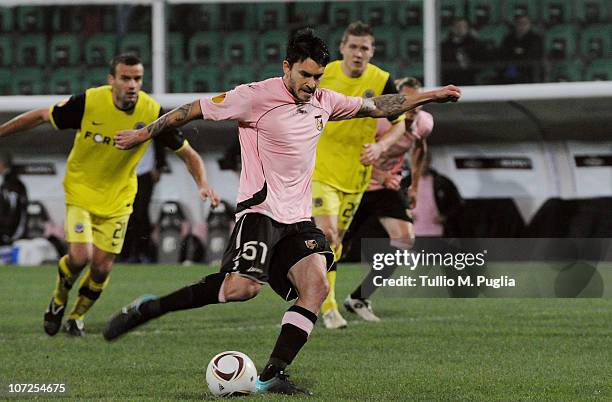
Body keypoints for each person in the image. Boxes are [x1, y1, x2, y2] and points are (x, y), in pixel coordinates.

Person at [102, 29, 460, 395]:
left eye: (317, 76)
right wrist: (144, 133)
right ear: (286, 67)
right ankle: (150, 308)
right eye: (304, 75)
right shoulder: (253, 97)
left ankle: (272, 374)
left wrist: (433, 95)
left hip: (298, 220)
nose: (311, 84)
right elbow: (190, 110)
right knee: (243, 288)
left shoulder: (324, 100)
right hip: (260, 212)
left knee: (316, 287)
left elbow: (378, 106)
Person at [0, 53, 219, 337]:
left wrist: (202, 183)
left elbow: (189, 154)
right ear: (111, 80)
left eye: (137, 78)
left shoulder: (152, 112)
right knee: (80, 257)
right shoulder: (89, 102)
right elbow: (42, 115)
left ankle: (76, 317)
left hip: (118, 199)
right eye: (126, 78)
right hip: (81, 190)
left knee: (101, 268)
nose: (132, 84)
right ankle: (57, 300)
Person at [312, 21, 408, 329]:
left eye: (364, 48)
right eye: (353, 46)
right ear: (342, 48)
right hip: (319, 171)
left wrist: (382, 149)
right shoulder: (323, 74)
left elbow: (400, 123)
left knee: (336, 242)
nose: (358, 53)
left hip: (355, 177)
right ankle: (328, 308)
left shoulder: (380, 80)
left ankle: (320, 295)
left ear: (372, 51)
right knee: (327, 235)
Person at [344, 77, 433, 321]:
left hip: (387, 188)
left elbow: (419, 148)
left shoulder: (423, 123)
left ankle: (359, 298)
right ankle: (310, 300)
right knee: (333, 244)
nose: (413, 111)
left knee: (404, 240)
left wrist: (414, 186)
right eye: (407, 104)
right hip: (353, 183)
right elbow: (350, 155)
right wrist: (381, 175)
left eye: (418, 105)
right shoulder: (378, 119)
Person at [120, 138, 166, 263]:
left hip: (145, 173)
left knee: (141, 212)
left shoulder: (150, 120)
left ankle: (143, 252)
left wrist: (159, 166)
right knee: (128, 213)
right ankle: (128, 253)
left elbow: (160, 142)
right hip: (126, 173)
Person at [498, 15, 543, 84]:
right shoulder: (508, 38)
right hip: (512, 67)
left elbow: (532, 55)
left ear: (530, 25)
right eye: (519, 23)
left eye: (525, 23)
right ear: (515, 25)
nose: (522, 26)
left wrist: (517, 53)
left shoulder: (535, 38)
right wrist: (518, 53)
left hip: (529, 68)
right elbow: (504, 54)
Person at [441, 17, 487, 85]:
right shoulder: (445, 46)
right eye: (457, 26)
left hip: (470, 81)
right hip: (450, 81)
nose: (460, 29)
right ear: (452, 28)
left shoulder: (475, 44)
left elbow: (482, 61)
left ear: (468, 28)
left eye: (463, 26)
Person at [0, 152, 28, 245]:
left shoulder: (13, 184)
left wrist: (8, 234)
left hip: (11, 235)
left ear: (2, 165)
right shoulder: (6, 183)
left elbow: (16, 211)